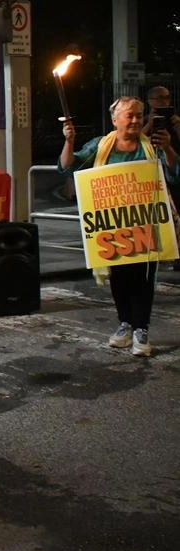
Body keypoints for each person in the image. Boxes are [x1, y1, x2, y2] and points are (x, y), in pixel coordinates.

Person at [59, 95, 179, 357]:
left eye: (139, 115)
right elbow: (67, 167)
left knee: (144, 278)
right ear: (115, 120)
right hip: (112, 227)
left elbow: (174, 174)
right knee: (120, 277)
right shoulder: (100, 146)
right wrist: (69, 141)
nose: (135, 120)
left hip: (146, 223)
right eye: (129, 115)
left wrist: (169, 148)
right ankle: (124, 324)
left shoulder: (153, 146)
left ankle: (141, 329)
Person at [141, 85, 180, 271]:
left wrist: (177, 126)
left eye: (166, 97)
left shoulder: (175, 122)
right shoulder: (141, 122)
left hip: (174, 174)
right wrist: (149, 123)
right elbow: (135, 141)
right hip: (150, 177)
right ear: (149, 101)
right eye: (158, 98)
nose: (163, 101)